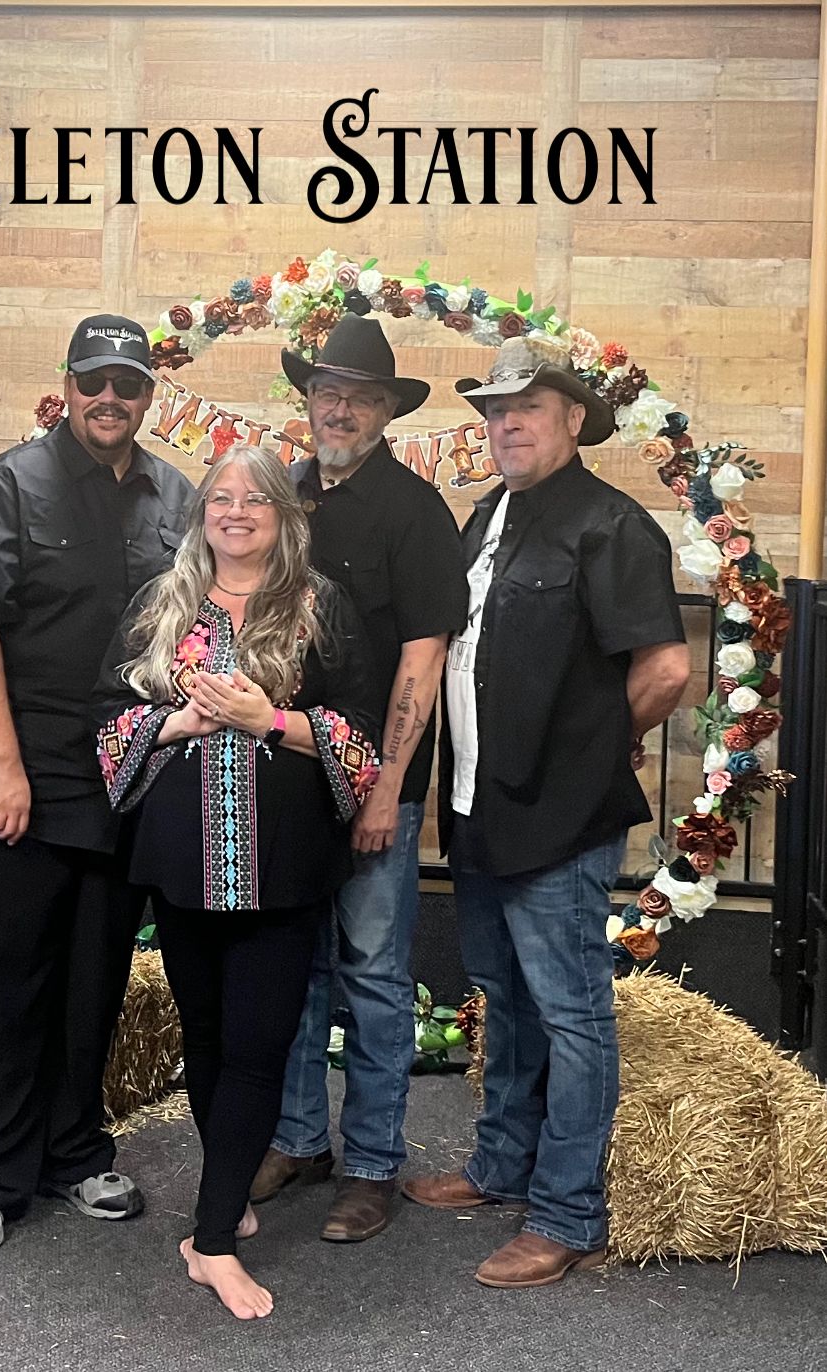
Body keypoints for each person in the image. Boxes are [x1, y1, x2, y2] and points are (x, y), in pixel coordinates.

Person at [402, 335, 691, 1287]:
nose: (507, 424)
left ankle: (568, 1214)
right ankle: (501, 1167)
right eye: (494, 410)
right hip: (481, 807)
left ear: (573, 418)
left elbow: (666, 669)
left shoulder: (613, 527)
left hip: (560, 820)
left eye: (527, 407)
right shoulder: (488, 515)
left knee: (571, 1014)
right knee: (507, 998)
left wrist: (588, 754)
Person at [0, 314, 195, 1255]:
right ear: (69, 385)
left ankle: (75, 1152)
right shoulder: (8, 484)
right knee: (8, 977)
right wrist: (1, 765)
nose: (109, 398)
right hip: (25, 775)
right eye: (94, 381)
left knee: (96, 977)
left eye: (128, 383)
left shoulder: (177, 495)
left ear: (149, 394)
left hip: (126, 777)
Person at [94, 445, 381, 1318]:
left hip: (282, 868)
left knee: (259, 1047)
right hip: (182, 865)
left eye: (256, 499)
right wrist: (178, 722)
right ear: (202, 513)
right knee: (209, 1039)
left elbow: (362, 735)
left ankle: (212, 1240)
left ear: (284, 516)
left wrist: (273, 719)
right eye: (221, 497)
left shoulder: (320, 606)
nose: (236, 511)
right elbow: (107, 723)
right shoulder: (161, 603)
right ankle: (229, 1192)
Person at [253, 315, 468, 1243]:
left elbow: (425, 655)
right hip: (290, 775)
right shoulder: (281, 496)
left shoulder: (416, 513)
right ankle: (299, 1138)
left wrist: (386, 788)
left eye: (361, 398)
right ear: (308, 401)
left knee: (374, 977)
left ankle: (374, 1163)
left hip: (375, 785)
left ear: (387, 412)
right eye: (327, 393)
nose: (340, 410)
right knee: (295, 966)